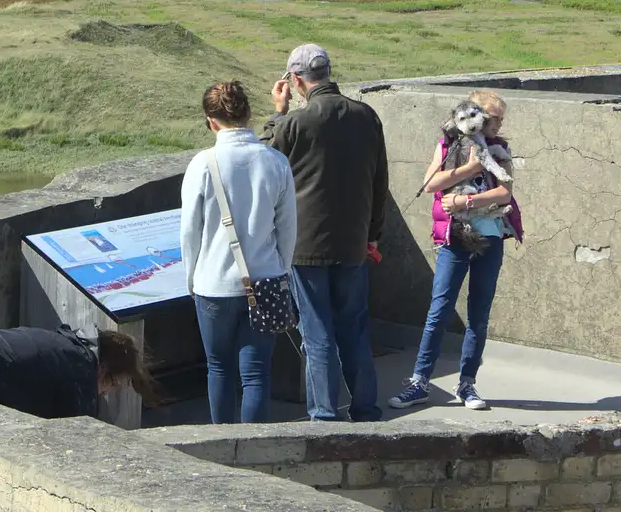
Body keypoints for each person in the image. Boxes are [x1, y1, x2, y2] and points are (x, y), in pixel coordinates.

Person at [260, 44, 388, 423]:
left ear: (295, 80)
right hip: (353, 243)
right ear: (329, 72)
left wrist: (277, 113)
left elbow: (264, 161)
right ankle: (366, 409)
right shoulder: (367, 116)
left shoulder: (295, 123)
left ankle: (324, 416)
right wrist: (372, 235)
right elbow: (379, 181)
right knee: (354, 330)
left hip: (306, 246)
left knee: (317, 334)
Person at [390, 90, 522, 411]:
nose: (499, 124)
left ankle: (467, 384)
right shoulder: (447, 144)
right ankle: (420, 381)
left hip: (489, 238)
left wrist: (467, 200)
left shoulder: (500, 149)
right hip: (454, 239)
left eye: (501, 119)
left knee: (479, 314)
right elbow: (430, 183)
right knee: (440, 308)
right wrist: (471, 169)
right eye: (494, 118)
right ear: (474, 116)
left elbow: (505, 194)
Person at [180, 80, 297, 424]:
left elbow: (190, 231)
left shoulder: (203, 164)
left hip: (213, 283)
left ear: (211, 121)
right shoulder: (275, 162)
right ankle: (254, 450)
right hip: (266, 279)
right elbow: (288, 228)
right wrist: (281, 269)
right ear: (247, 113)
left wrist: (192, 278)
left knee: (219, 368)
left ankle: (221, 443)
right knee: (257, 374)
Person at [0, 325, 152, 419]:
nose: (105, 394)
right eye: (112, 385)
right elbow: (76, 438)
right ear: (103, 369)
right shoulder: (81, 370)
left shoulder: (62, 347)